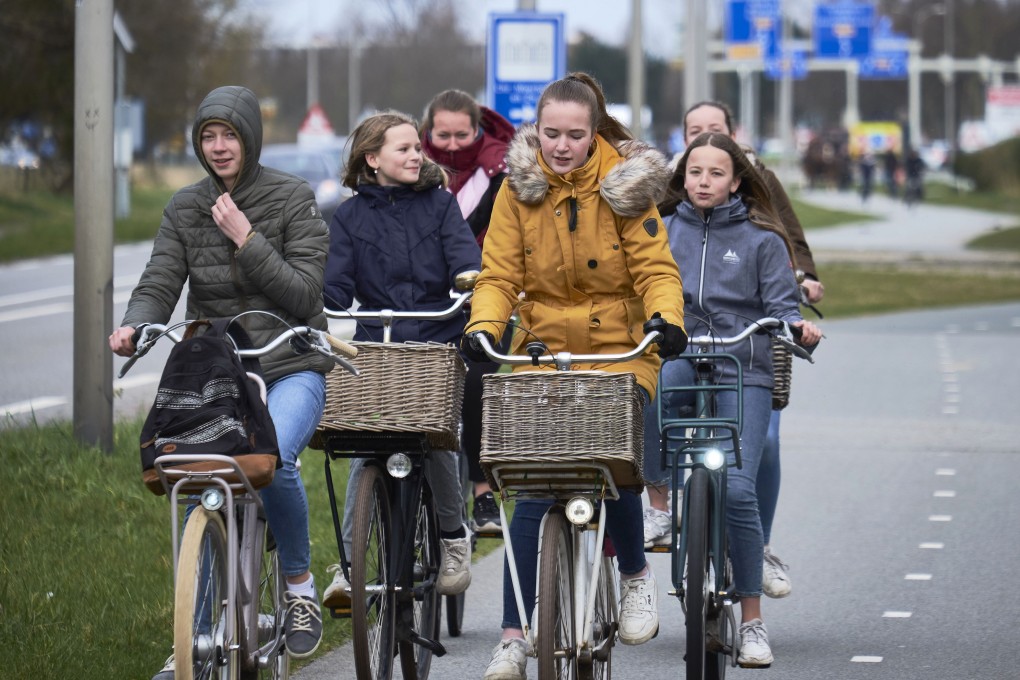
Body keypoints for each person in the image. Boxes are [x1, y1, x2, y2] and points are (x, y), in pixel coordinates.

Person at [461, 72, 687, 680]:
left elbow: (656, 270)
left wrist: (666, 320)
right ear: (537, 130)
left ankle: (635, 575)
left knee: (616, 460)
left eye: (575, 135)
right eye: (552, 133)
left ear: (594, 133)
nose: (562, 146)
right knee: (531, 485)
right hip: (542, 349)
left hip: (619, 348)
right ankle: (513, 636)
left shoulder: (625, 187)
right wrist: (485, 326)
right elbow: (498, 274)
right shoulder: (518, 189)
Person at [109, 85, 333, 678]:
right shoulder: (185, 206)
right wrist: (136, 326)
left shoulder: (293, 196)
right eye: (207, 136)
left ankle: (299, 588)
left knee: (275, 456)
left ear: (249, 137)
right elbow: (160, 279)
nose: (218, 146)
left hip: (290, 364)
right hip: (218, 373)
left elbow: (305, 295)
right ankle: (195, 637)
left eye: (229, 134)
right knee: (198, 472)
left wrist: (246, 238)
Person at [644, 101, 824, 604]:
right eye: (695, 172)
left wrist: (797, 328)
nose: (704, 181)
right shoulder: (660, 228)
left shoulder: (762, 238)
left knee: (744, 480)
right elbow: (638, 286)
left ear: (737, 180)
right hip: (681, 354)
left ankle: (752, 613)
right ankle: (659, 503)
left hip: (742, 364)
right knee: (649, 394)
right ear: (682, 173)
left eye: (716, 173)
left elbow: (783, 305)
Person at [320, 110, 481, 609]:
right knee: (365, 442)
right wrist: (318, 293)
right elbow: (337, 287)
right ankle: (350, 564)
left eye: (417, 147)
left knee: (437, 438)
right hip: (377, 344)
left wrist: (469, 279)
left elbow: (465, 260)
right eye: (404, 149)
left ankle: (453, 538)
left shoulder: (440, 204)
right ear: (373, 159)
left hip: (434, 341)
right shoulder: (348, 216)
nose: (416, 156)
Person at [420, 89, 515, 533]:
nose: (453, 144)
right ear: (428, 131)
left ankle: (481, 490)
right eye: (444, 135)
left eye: (463, 134)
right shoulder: (411, 164)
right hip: (425, 300)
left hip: (487, 294)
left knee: (475, 382)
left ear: (478, 130)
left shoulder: (502, 170)